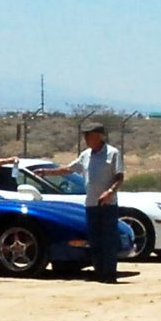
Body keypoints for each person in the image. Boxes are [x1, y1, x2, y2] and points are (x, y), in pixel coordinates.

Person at [62, 120, 126, 282]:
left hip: (107, 205)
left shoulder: (113, 153)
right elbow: (69, 169)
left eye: (89, 136)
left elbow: (119, 177)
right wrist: (47, 172)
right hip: (91, 205)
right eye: (85, 136)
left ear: (100, 136)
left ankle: (109, 274)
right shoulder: (85, 155)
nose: (86, 139)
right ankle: (99, 273)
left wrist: (110, 192)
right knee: (95, 240)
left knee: (108, 240)